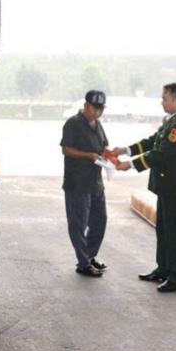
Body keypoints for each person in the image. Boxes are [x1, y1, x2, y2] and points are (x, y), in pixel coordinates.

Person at [113, 83, 176, 292]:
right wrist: (126, 149)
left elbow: (161, 153)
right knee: (164, 229)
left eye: (165, 98)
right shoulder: (171, 120)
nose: (162, 101)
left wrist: (130, 164)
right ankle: (163, 269)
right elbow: (153, 142)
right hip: (166, 186)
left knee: (175, 232)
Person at [60, 90, 110, 277]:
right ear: (86, 105)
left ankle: (89, 256)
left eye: (101, 109)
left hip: (95, 183)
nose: (98, 113)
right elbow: (66, 149)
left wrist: (109, 154)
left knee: (100, 220)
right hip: (77, 183)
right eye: (95, 108)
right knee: (78, 223)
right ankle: (83, 262)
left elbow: (103, 146)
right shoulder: (74, 123)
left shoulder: (98, 125)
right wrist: (88, 156)